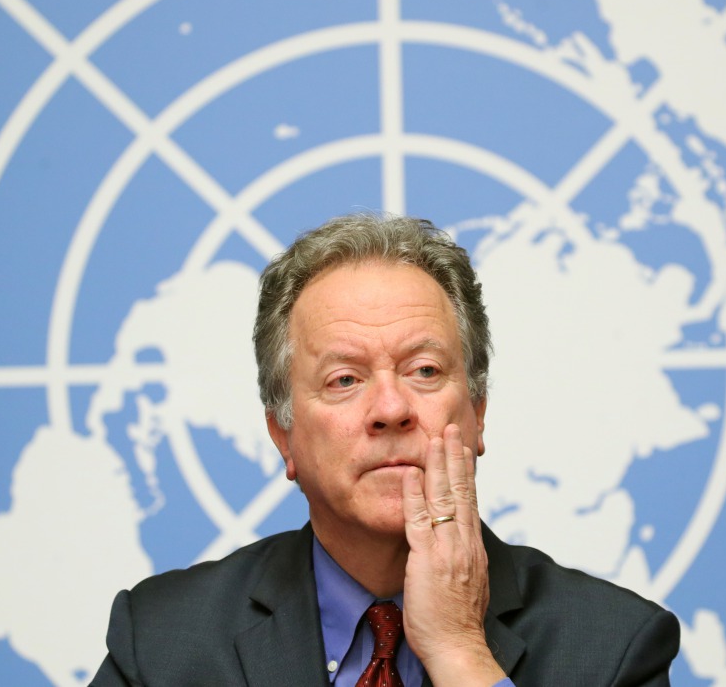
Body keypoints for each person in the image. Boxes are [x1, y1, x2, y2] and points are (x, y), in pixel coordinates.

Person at [91, 213, 680, 686]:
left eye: (424, 370)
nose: (391, 408)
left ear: (477, 414)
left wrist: (459, 652)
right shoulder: (162, 645)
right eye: (344, 379)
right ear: (283, 434)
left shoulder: (615, 650)